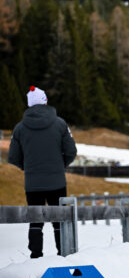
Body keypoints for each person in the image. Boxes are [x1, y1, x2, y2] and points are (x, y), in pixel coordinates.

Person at [8, 86, 77, 258]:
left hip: (33, 183)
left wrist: (28, 167)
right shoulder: (60, 124)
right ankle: (64, 255)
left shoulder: (19, 128)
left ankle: (35, 256)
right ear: (45, 100)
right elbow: (71, 151)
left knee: (35, 220)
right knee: (59, 218)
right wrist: (60, 165)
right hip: (57, 181)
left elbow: (13, 157)